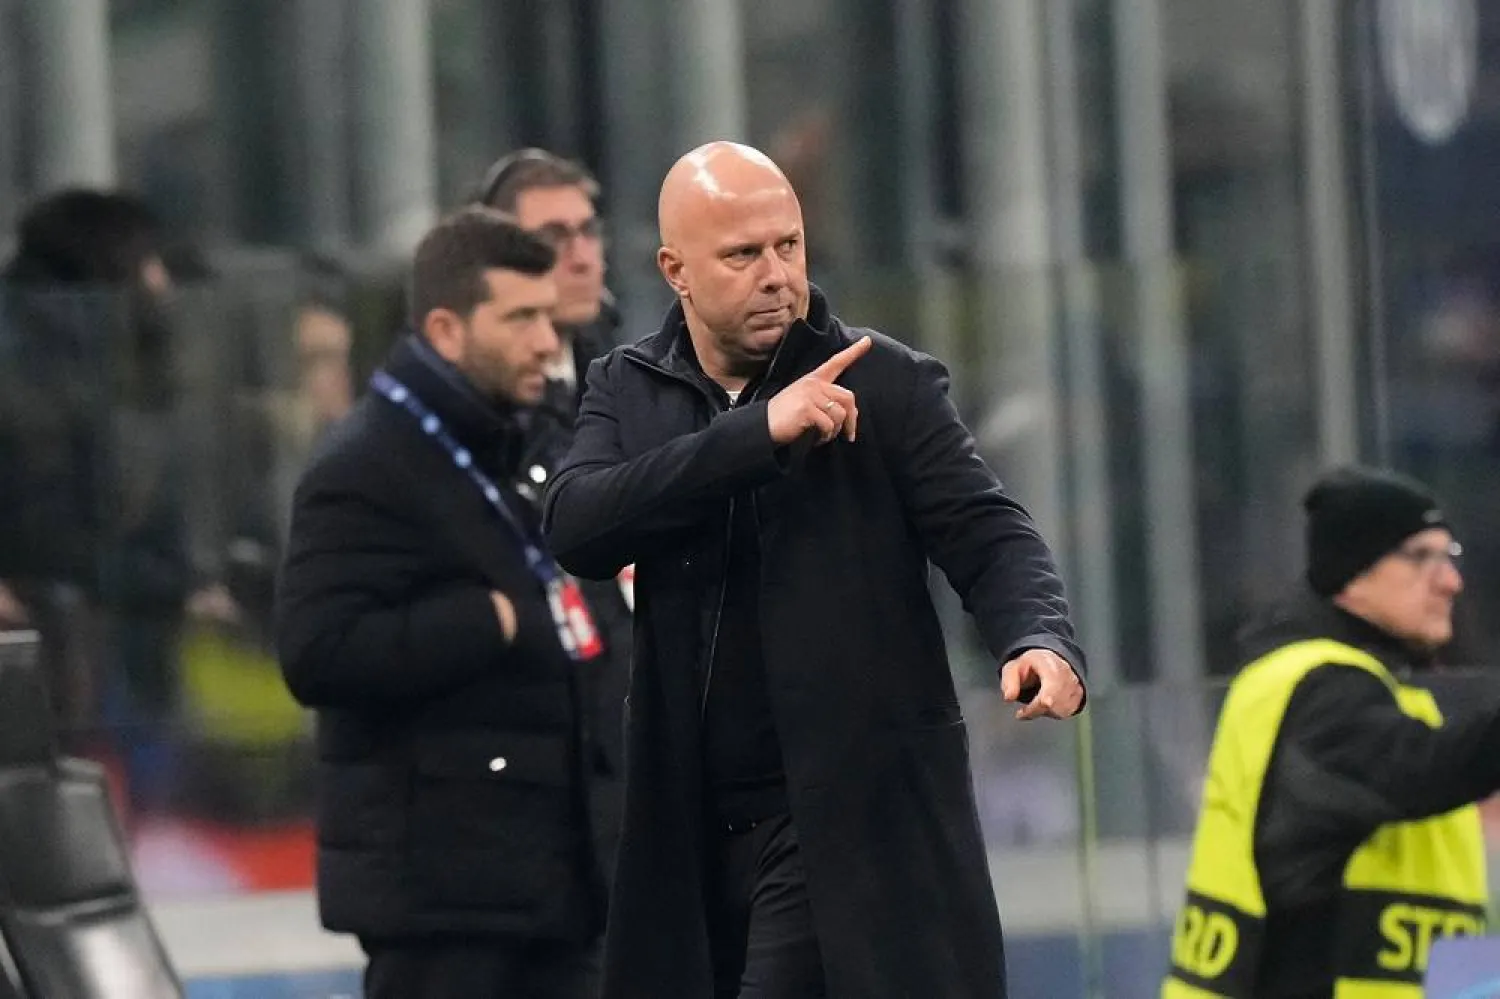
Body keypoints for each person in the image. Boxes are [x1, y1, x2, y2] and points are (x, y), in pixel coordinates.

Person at [542, 140, 1087, 998]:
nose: (776, 276)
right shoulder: (625, 387)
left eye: (787, 246)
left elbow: (988, 532)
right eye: (742, 254)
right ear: (674, 269)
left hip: (849, 821)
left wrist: (1040, 637)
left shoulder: (890, 384)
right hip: (690, 826)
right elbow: (578, 525)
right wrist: (753, 439)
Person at [275, 207, 607, 999]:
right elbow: (316, 650)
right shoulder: (364, 465)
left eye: (549, 317)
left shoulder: (519, 443)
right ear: (447, 329)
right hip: (441, 893)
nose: (544, 340)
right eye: (521, 318)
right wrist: (482, 620)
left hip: (547, 877)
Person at [1162, 466, 1500, 999]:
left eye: (1449, 555)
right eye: (1420, 556)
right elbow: (1421, 769)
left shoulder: (1369, 688)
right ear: (1353, 571)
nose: (1450, 580)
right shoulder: (1320, 692)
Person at [475, 145, 635, 889]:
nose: (578, 254)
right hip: (535, 785)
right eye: (551, 238)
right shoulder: (474, 418)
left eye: (587, 231)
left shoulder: (639, 382)